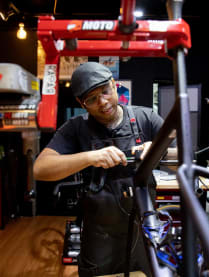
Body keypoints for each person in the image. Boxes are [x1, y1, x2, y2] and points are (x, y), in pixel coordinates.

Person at [33, 62, 175, 277]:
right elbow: (40, 169)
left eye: (105, 91)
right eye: (91, 99)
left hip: (143, 227)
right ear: (82, 103)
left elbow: (183, 154)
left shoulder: (146, 118)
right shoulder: (76, 128)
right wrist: (90, 157)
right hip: (99, 235)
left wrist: (156, 150)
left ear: (114, 85)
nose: (103, 102)